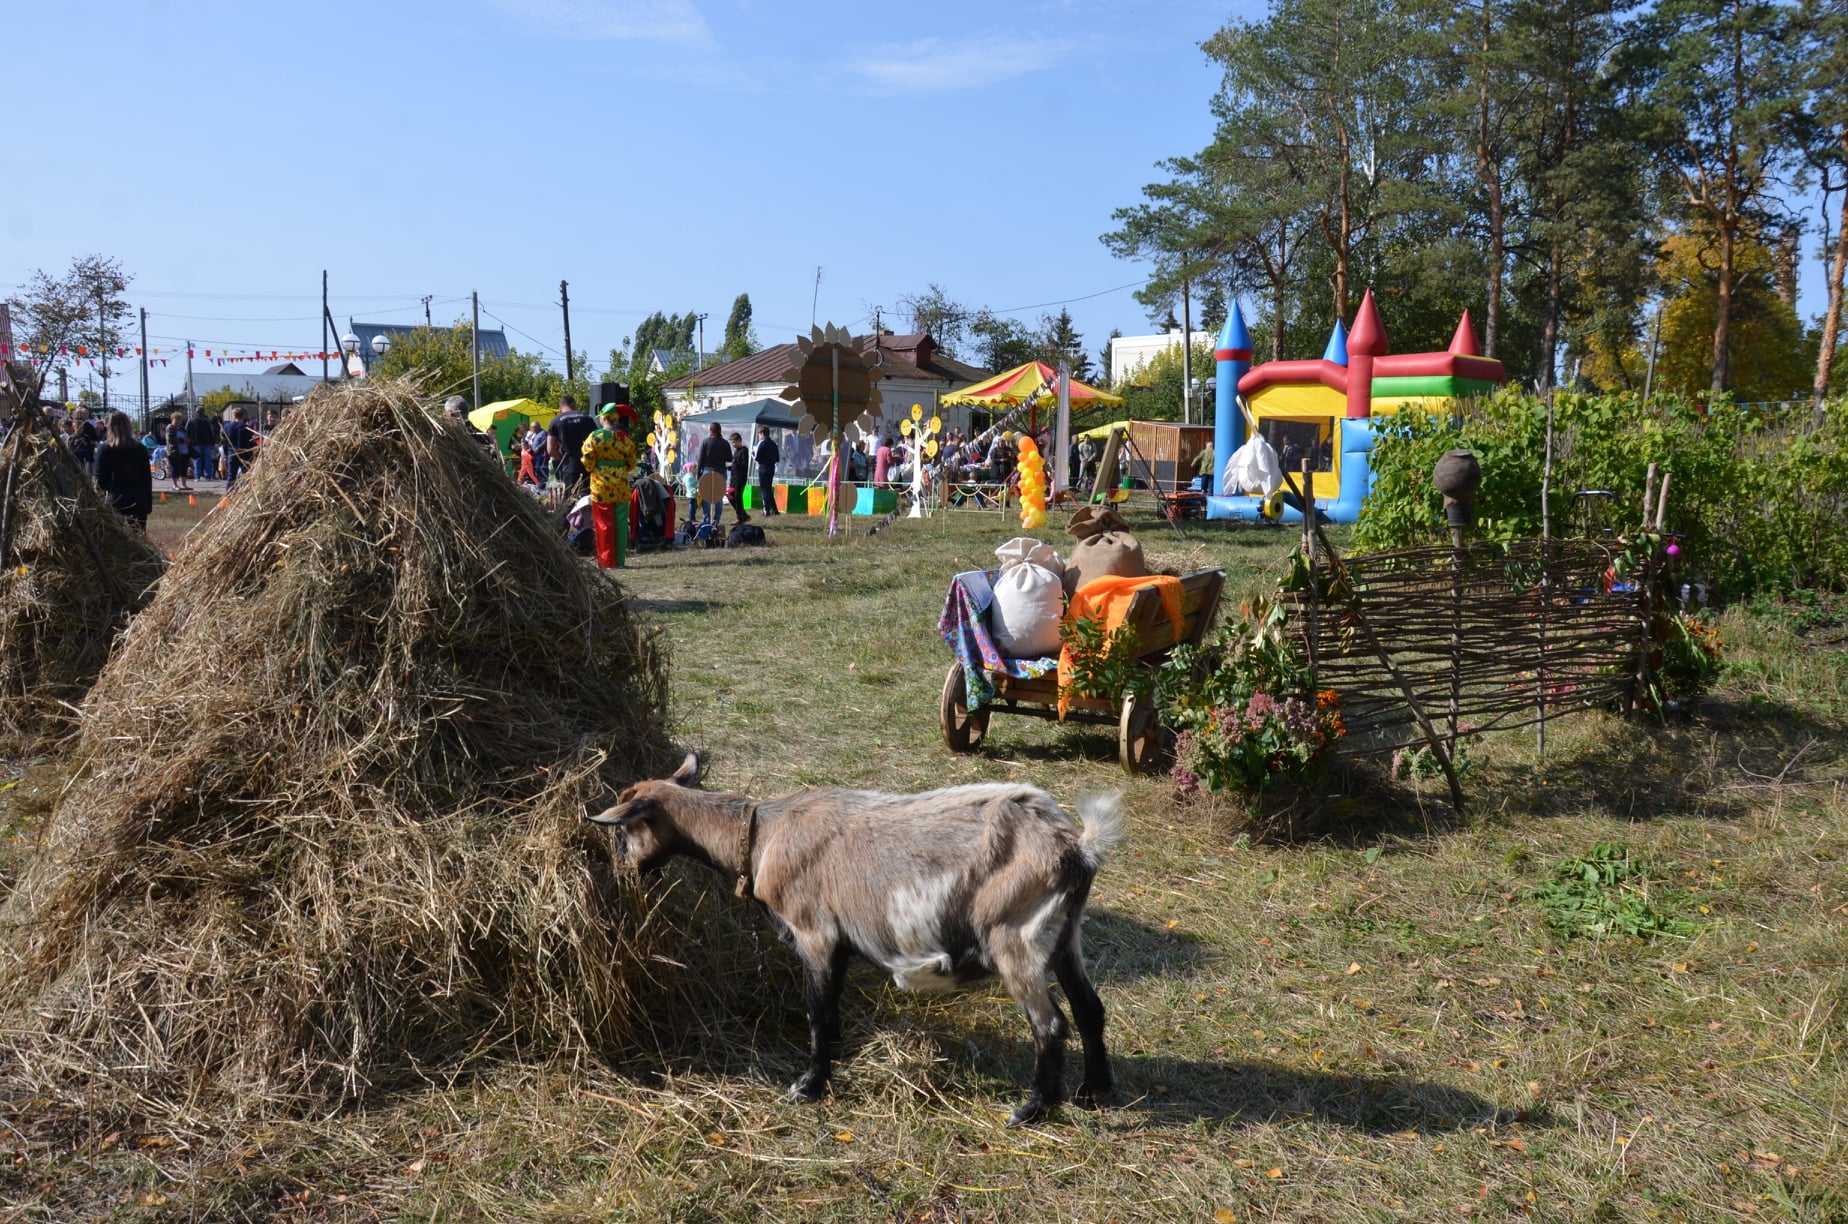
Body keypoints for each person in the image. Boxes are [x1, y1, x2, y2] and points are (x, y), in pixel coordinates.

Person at [581, 401, 639, 568]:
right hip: (620, 485)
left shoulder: (595, 437)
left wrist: (596, 469)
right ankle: (620, 560)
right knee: (621, 523)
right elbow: (632, 463)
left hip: (601, 486)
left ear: (604, 418)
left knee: (603, 523)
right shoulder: (626, 438)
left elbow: (587, 459)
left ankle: (607, 561)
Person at [93, 410, 153, 528]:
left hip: (114, 499)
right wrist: (148, 503)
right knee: (139, 539)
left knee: (115, 541)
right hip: (137, 498)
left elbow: (100, 479)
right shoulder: (140, 448)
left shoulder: (104, 448)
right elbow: (146, 477)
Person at [547, 394, 596, 496]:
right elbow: (598, 442)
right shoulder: (587, 418)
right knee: (588, 499)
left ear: (560, 407)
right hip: (589, 465)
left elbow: (550, 449)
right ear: (574, 404)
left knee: (571, 500)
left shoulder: (555, 421)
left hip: (569, 466)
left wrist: (562, 459)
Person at [696, 421, 731, 527]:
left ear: (710, 430)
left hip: (707, 471)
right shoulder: (725, 443)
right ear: (720, 430)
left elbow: (701, 458)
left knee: (706, 495)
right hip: (720, 471)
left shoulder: (705, 442)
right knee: (719, 496)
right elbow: (729, 458)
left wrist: (698, 473)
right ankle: (716, 518)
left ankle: (706, 517)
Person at [222, 405, 260, 489]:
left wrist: (226, 453)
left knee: (231, 475)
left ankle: (229, 493)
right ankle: (245, 491)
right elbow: (250, 442)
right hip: (245, 453)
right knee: (246, 475)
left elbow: (224, 442)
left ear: (233, 416)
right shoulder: (247, 428)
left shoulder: (227, 427)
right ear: (243, 416)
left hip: (232, 453)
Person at [725, 431, 751, 526]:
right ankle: (743, 514)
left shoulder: (744, 451)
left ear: (739, 440)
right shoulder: (736, 451)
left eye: (734, 442)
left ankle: (740, 518)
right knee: (730, 496)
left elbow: (744, 465)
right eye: (731, 442)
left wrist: (735, 462)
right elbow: (735, 465)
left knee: (737, 497)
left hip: (740, 478)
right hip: (733, 478)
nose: (733, 444)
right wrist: (729, 467)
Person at [186, 405, 219, 481]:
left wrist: (189, 442)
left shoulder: (191, 420)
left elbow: (186, 431)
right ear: (203, 411)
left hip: (196, 443)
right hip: (207, 443)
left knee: (197, 460)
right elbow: (212, 432)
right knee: (208, 460)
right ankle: (209, 476)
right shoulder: (207, 420)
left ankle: (197, 476)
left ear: (196, 411)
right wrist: (213, 442)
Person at [754, 425, 781, 516]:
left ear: (762, 434)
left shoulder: (762, 443)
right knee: (768, 489)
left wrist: (753, 455)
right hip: (771, 468)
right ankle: (774, 509)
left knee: (764, 489)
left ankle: (766, 510)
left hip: (763, 468)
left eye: (759, 434)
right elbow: (777, 458)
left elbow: (757, 457)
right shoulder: (773, 444)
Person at [165, 411, 193, 491]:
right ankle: (175, 485)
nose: (178, 422)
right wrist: (182, 440)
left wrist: (188, 440)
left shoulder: (182, 428)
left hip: (184, 451)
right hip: (174, 452)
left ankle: (184, 485)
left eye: (179, 420)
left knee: (184, 468)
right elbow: (170, 438)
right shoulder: (170, 428)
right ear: (172, 420)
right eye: (176, 420)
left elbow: (187, 437)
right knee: (175, 468)